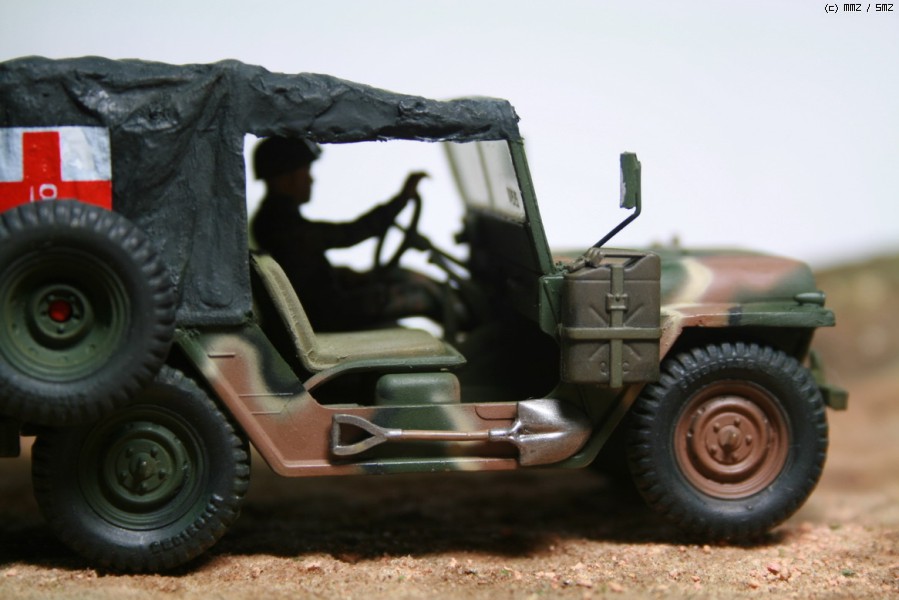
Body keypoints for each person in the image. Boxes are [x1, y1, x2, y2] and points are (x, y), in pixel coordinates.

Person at [250, 136, 446, 331]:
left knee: (399, 275)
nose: (311, 179)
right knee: (424, 294)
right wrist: (401, 200)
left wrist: (345, 275)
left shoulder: (273, 221)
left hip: (322, 312)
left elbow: (304, 269)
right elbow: (349, 233)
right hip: (328, 316)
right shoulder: (278, 224)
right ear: (284, 177)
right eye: (306, 171)